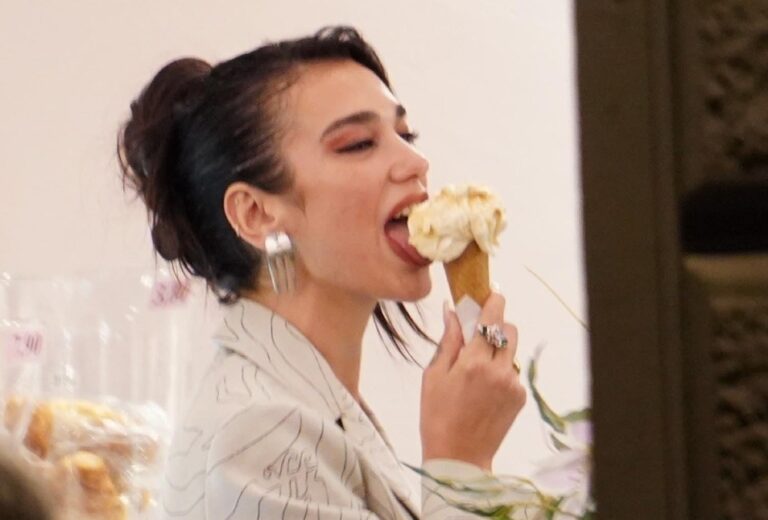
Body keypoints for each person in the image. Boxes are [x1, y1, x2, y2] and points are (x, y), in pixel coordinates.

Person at [119, 26, 526, 519]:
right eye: (358, 144)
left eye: (405, 135)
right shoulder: (258, 436)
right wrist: (460, 462)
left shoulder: (306, 404)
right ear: (255, 214)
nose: (416, 162)